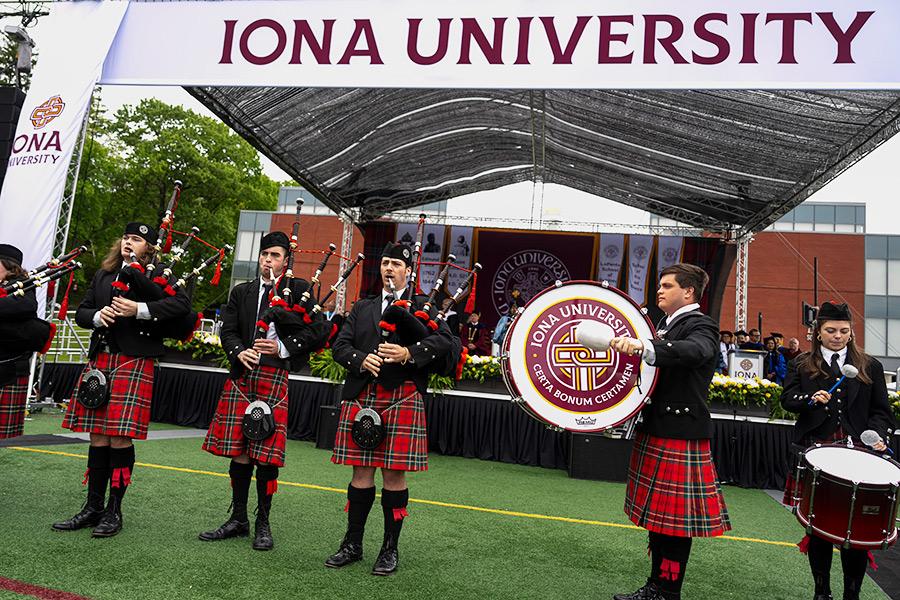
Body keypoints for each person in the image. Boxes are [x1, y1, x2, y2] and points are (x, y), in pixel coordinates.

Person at [325, 242, 456, 576]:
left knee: (394, 475)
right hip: (363, 397)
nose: (388, 269)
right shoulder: (363, 307)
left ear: (408, 272)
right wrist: (359, 359)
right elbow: (340, 345)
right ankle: (352, 544)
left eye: (396, 264)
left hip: (402, 397)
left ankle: (389, 549)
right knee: (360, 473)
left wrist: (409, 353)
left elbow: (446, 343)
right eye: (384, 263)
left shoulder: (424, 307)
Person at [53, 223, 190, 537]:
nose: (129, 242)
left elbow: (181, 307)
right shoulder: (104, 274)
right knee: (98, 436)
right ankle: (92, 507)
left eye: (137, 239)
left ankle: (114, 511)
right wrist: (99, 316)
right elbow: (82, 311)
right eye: (127, 237)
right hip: (101, 358)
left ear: (149, 247)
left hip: (133, 359)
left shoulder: (159, 274)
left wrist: (139, 309)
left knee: (118, 437)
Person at [608, 263, 730, 600]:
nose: (659, 290)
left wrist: (645, 348)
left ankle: (667, 590)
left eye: (667, 285)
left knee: (674, 525)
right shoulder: (666, 324)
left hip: (679, 431)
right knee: (661, 522)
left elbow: (698, 351)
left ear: (688, 291)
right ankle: (657, 586)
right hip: (661, 427)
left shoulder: (700, 325)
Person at [199, 231, 326, 551]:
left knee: (265, 457)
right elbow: (227, 330)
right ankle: (238, 519)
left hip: (274, 376)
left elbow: (320, 331)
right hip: (244, 375)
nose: (268, 261)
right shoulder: (243, 292)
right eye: (264, 255)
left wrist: (283, 347)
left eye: (275, 256)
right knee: (240, 452)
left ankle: (263, 523)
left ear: (286, 261)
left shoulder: (299, 291)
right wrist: (238, 350)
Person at [780, 301, 894, 600]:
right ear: (818, 332)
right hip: (814, 451)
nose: (838, 336)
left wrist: (878, 435)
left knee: (855, 532)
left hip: (858, 454)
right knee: (818, 526)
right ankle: (822, 593)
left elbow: (882, 412)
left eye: (844, 331)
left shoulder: (870, 365)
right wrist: (809, 399)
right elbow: (787, 399)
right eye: (831, 330)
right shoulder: (802, 363)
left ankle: (851, 596)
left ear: (851, 332)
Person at [0, 244, 37, 440]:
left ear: (8, 265)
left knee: (4, 436)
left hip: (10, 368)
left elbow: (27, 307)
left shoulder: (24, 286)